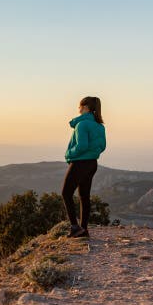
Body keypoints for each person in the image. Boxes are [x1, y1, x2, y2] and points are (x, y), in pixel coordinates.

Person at [62, 96, 106, 237]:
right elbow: (102, 146)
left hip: (80, 163)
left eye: (80, 106)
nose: (78, 109)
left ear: (86, 107)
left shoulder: (82, 125)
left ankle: (75, 227)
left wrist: (69, 153)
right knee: (84, 196)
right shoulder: (99, 126)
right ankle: (84, 229)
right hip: (92, 163)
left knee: (66, 193)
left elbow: (81, 146)